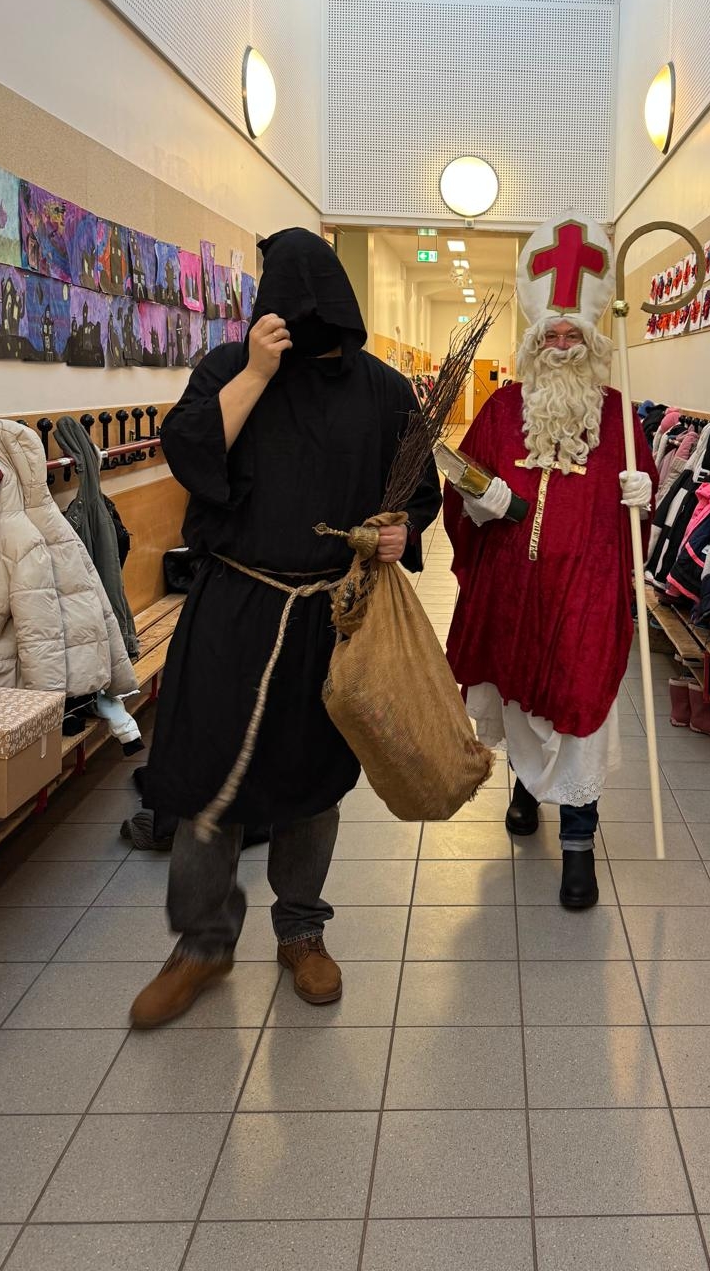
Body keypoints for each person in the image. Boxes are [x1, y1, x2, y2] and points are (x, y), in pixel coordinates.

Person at [131, 228, 441, 1027]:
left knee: (311, 782)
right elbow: (190, 454)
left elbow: (420, 492)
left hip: (326, 617)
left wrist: (402, 528)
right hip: (231, 609)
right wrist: (257, 372)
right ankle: (201, 944)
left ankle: (301, 932)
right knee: (208, 777)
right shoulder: (229, 369)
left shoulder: (382, 390)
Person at [444, 218, 656, 909]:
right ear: (533, 344)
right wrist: (480, 501)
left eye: (574, 338)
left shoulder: (620, 416)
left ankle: (578, 847)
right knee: (518, 703)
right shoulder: (503, 409)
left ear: (594, 345)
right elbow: (461, 484)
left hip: (588, 595)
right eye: (551, 337)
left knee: (579, 711)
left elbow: (640, 510)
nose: (562, 348)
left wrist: (644, 494)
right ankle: (525, 790)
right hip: (513, 594)